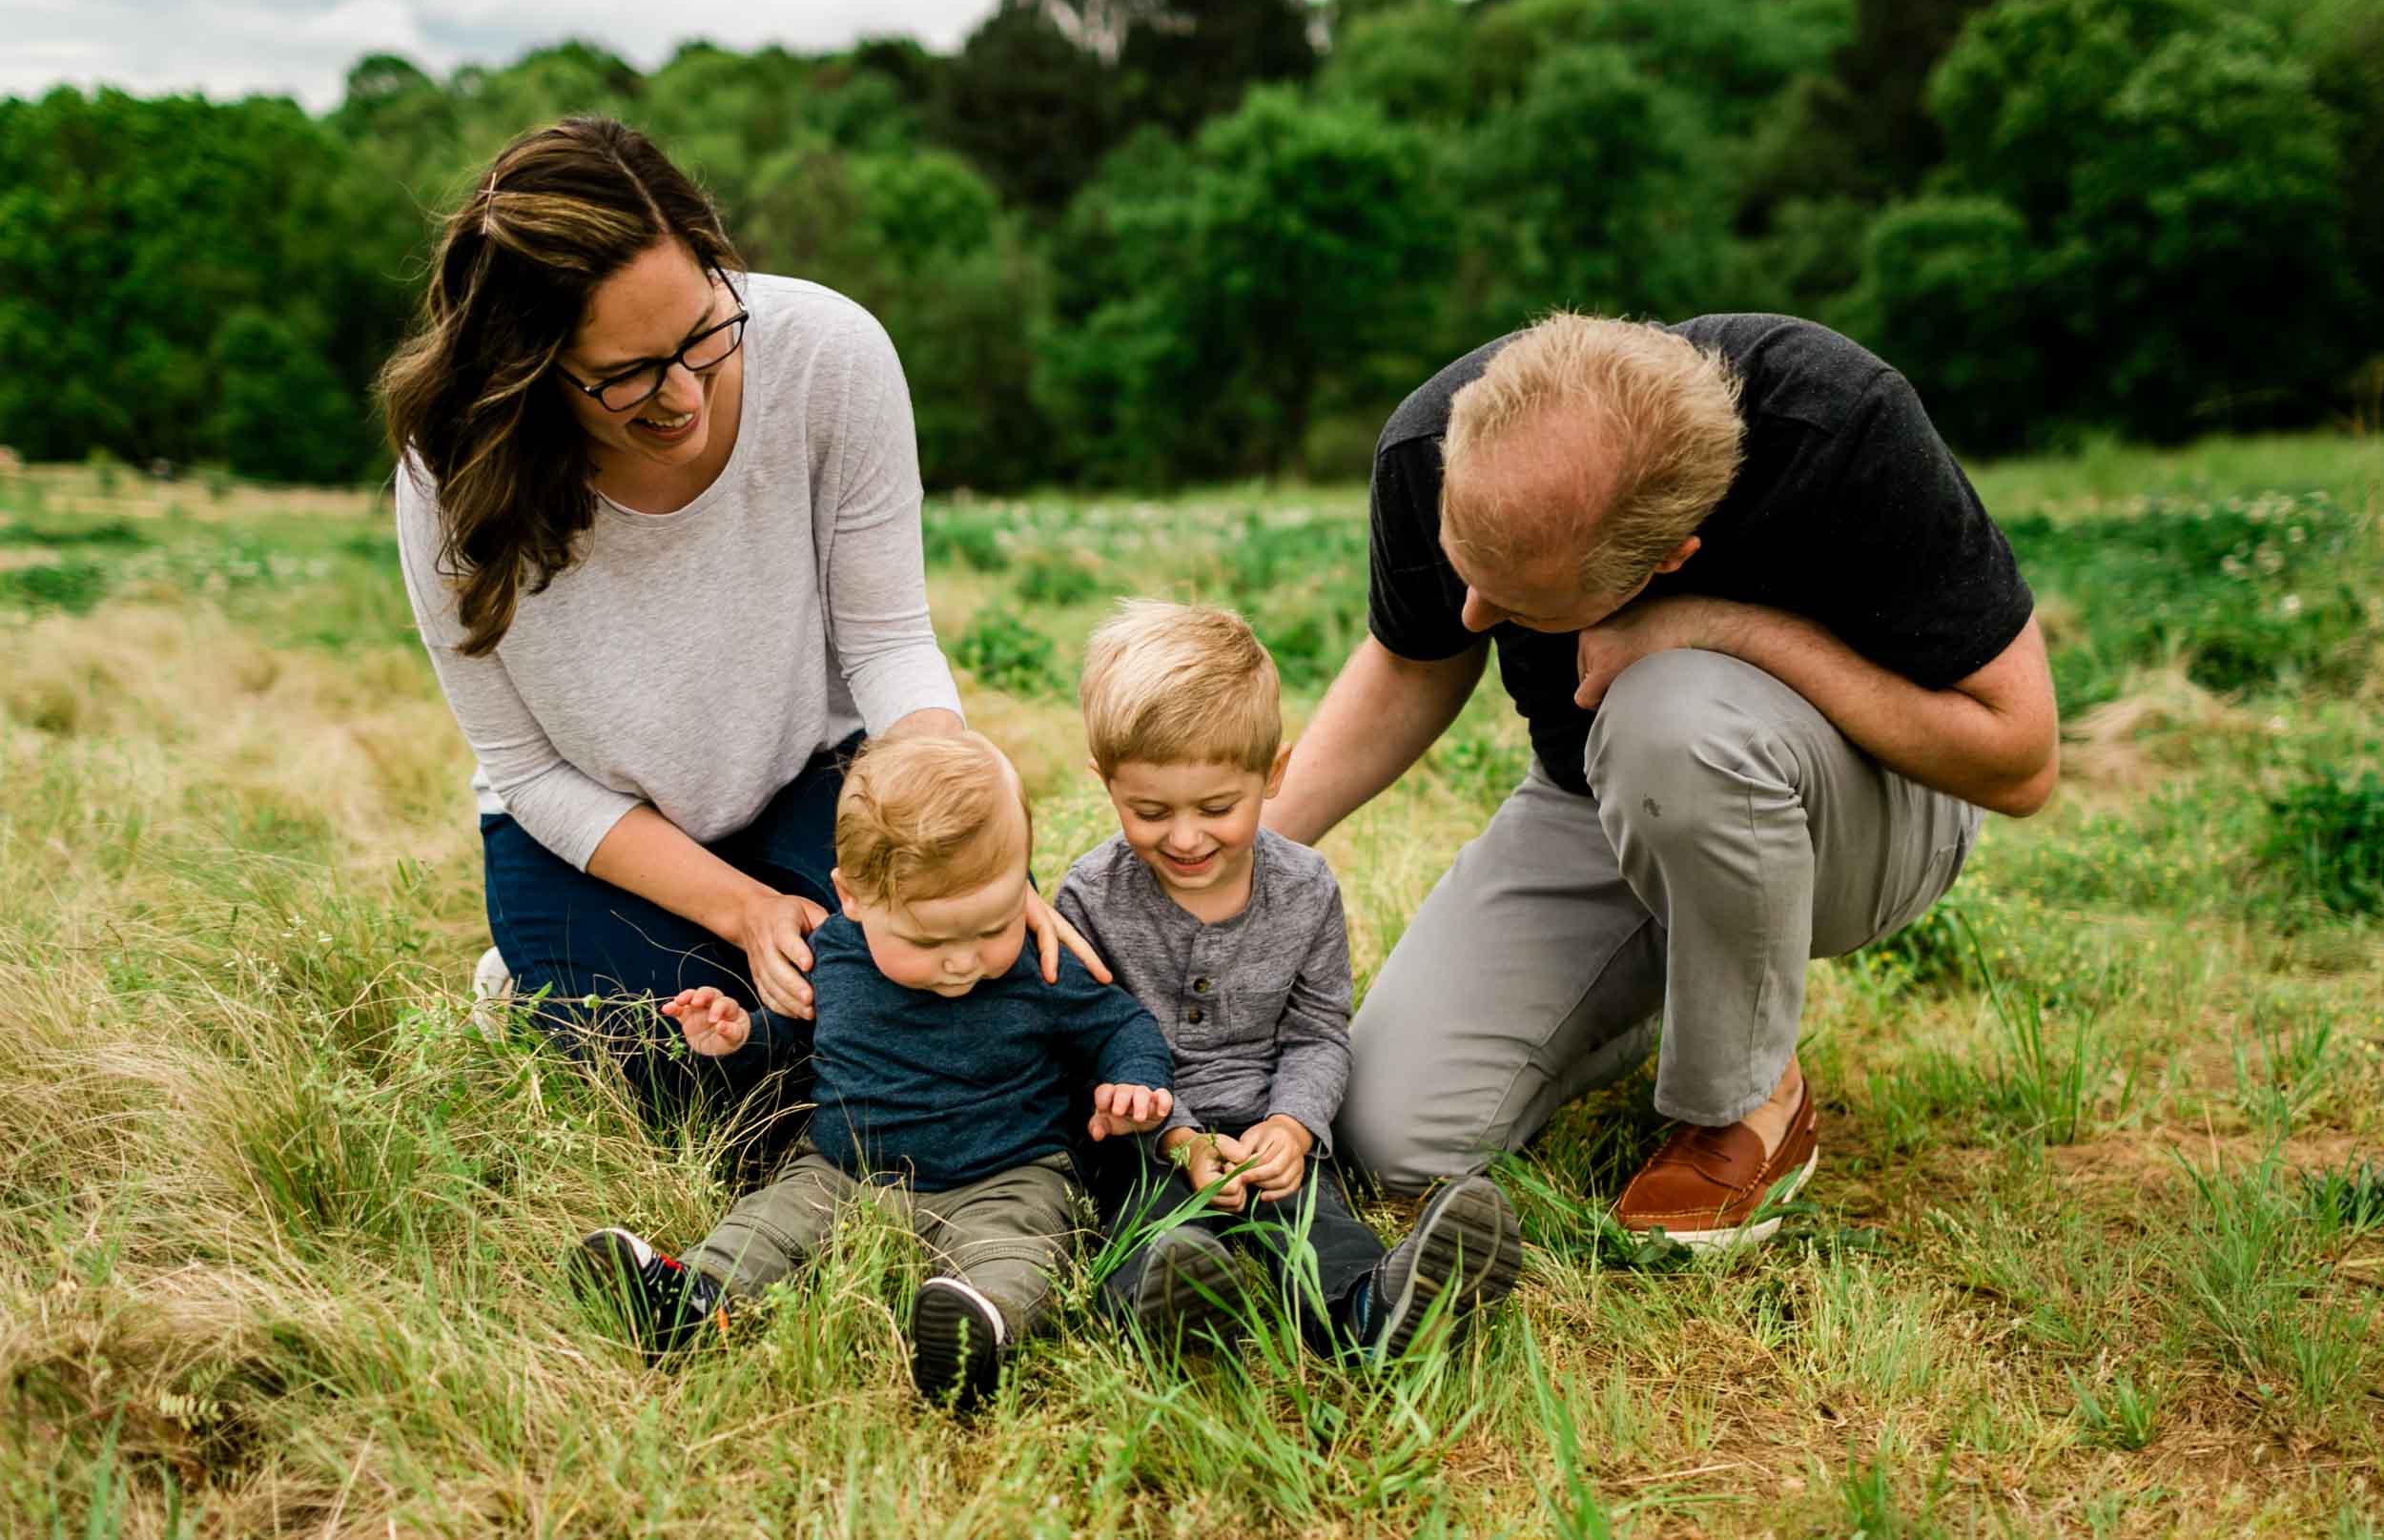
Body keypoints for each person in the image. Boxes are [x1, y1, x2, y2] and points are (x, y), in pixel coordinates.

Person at [1264, 312, 2058, 1247]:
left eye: (1517, 604)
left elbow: (2018, 756)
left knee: (1669, 712)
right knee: (1394, 1134)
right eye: (1467, 574)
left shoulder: (1840, 427)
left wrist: (1721, 628)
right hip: (1607, 797)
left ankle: (1747, 1101)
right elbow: (1413, 662)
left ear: (1666, 559)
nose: (1477, 612)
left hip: (1865, 813)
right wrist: (1248, 848)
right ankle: (1697, 987)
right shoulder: (1428, 443)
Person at [382, 117, 1100, 1120]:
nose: (684, 393)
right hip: (593, 826)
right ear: (528, 366)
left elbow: (888, 640)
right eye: (626, 372)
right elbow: (528, 768)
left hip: (806, 779)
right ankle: (534, 974)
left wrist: (966, 822)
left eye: (703, 336)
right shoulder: (447, 473)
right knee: (686, 1081)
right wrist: (746, 910)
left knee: (944, 1022)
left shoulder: (830, 356)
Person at [574, 733, 1177, 1409]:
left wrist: (1133, 1079)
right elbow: (798, 1034)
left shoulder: (1041, 963)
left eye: (992, 925)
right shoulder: (834, 952)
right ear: (853, 898)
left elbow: (1122, 1024)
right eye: (929, 940)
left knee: (1021, 1244)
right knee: (770, 1222)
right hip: (841, 1170)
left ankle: (982, 1329)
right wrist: (738, 1036)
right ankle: (696, 1297)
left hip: (1004, 1175)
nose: (963, 960)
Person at [1058, 602, 1522, 1358]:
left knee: (1312, 1218)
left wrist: (1291, 1127)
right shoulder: (1089, 895)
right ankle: (1173, 1306)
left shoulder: (1304, 888)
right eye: (1148, 810)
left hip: (1264, 1115)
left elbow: (1316, 1033)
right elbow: (1080, 1036)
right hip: (1147, 1132)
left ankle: (1373, 1310)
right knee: (1150, 1216)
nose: (1183, 836)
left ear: (1273, 774)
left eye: (1216, 807)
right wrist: (1175, 1132)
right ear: (1104, 784)